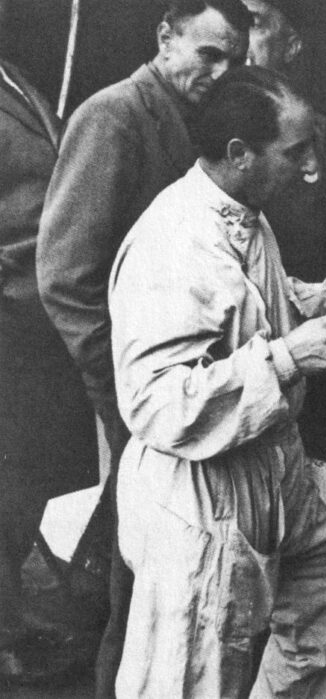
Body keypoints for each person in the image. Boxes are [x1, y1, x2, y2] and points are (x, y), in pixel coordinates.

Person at [108, 66, 326, 696]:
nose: (313, 168)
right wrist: (286, 360)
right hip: (202, 489)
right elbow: (155, 404)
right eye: (296, 152)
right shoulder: (174, 243)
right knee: (191, 674)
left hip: (268, 470)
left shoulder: (246, 217)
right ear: (239, 155)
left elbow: (268, 303)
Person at [36, 2, 251, 693]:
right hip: (140, 395)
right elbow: (65, 277)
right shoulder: (114, 115)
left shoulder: (193, 122)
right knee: (139, 582)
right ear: (165, 37)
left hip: (186, 391)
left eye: (234, 61)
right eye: (208, 54)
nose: (220, 73)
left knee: (158, 577)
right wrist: (121, 391)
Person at [243, 0, 326, 453]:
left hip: (309, 349)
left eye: (255, 24)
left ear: (292, 44)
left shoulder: (322, 133)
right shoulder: (200, 128)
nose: (241, 36)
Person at [0, 57, 97, 684]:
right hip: (9, 309)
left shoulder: (15, 80)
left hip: (40, 319)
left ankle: (13, 619)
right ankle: (7, 635)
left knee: (27, 474)